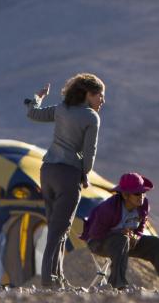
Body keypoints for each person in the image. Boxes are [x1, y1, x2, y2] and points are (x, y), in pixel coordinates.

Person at [24, 72, 104, 287]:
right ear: (88, 94)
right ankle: (49, 281)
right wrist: (84, 174)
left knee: (55, 227)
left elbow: (34, 114)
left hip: (47, 170)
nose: (102, 100)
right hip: (68, 174)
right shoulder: (90, 117)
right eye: (99, 95)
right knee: (60, 230)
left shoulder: (61, 109)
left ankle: (57, 277)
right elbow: (90, 153)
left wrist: (37, 97)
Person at [81, 172, 159, 291]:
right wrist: (120, 233)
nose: (141, 196)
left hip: (126, 241)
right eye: (137, 193)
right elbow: (96, 234)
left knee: (158, 244)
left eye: (143, 192)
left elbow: (142, 224)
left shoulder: (143, 205)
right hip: (99, 243)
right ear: (125, 195)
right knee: (121, 239)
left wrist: (136, 236)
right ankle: (116, 285)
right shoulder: (108, 209)